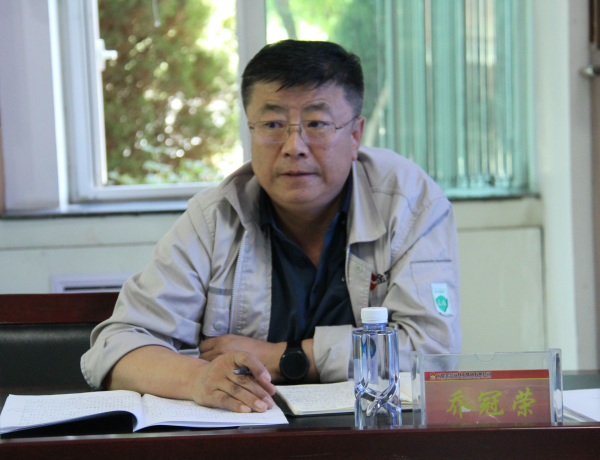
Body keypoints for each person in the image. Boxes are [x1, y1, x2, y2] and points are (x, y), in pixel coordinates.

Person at [81, 39, 461, 415]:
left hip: (373, 434)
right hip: (247, 433)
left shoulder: (410, 204)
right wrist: (200, 379)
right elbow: (117, 347)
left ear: (355, 136)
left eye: (316, 123)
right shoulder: (214, 219)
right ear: (250, 130)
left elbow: (433, 351)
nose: (294, 146)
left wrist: (287, 358)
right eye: (273, 124)